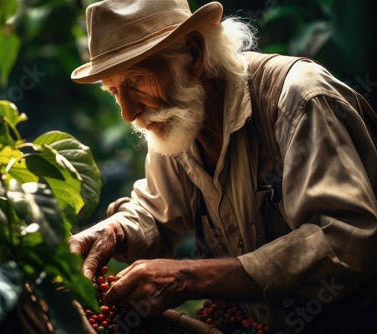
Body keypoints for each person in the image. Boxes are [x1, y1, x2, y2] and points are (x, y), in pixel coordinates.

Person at [68, 0, 377, 332]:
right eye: (114, 91)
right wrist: (112, 231)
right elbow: (157, 213)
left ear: (194, 53)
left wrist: (189, 278)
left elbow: (347, 241)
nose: (128, 112)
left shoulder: (298, 100)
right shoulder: (177, 121)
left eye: (136, 81)